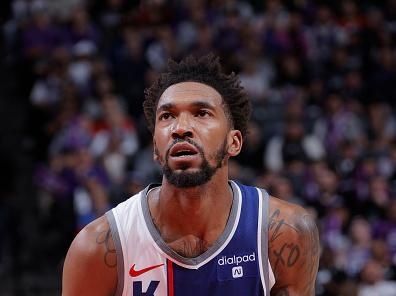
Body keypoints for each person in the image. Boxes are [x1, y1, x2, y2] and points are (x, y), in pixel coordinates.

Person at [62, 54, 319, 295]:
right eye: (167, 116)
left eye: (201, 113)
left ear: (235, 142)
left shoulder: (284, 232)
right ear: (155, 147)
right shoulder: (97, 248)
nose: (181, 127)